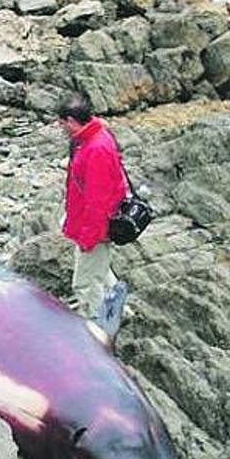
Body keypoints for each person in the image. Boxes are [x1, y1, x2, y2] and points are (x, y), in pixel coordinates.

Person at [57, 93, 128, 322]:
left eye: (61, 123)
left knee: (85, 283)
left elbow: (98, 202)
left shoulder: (95, 149)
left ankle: (96, 326)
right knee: (99, 266)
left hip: (95, 227)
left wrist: (87, 237)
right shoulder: (92, 138)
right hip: (88, 221)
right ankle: (120, 307)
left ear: (70, 120)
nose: (60, 128)